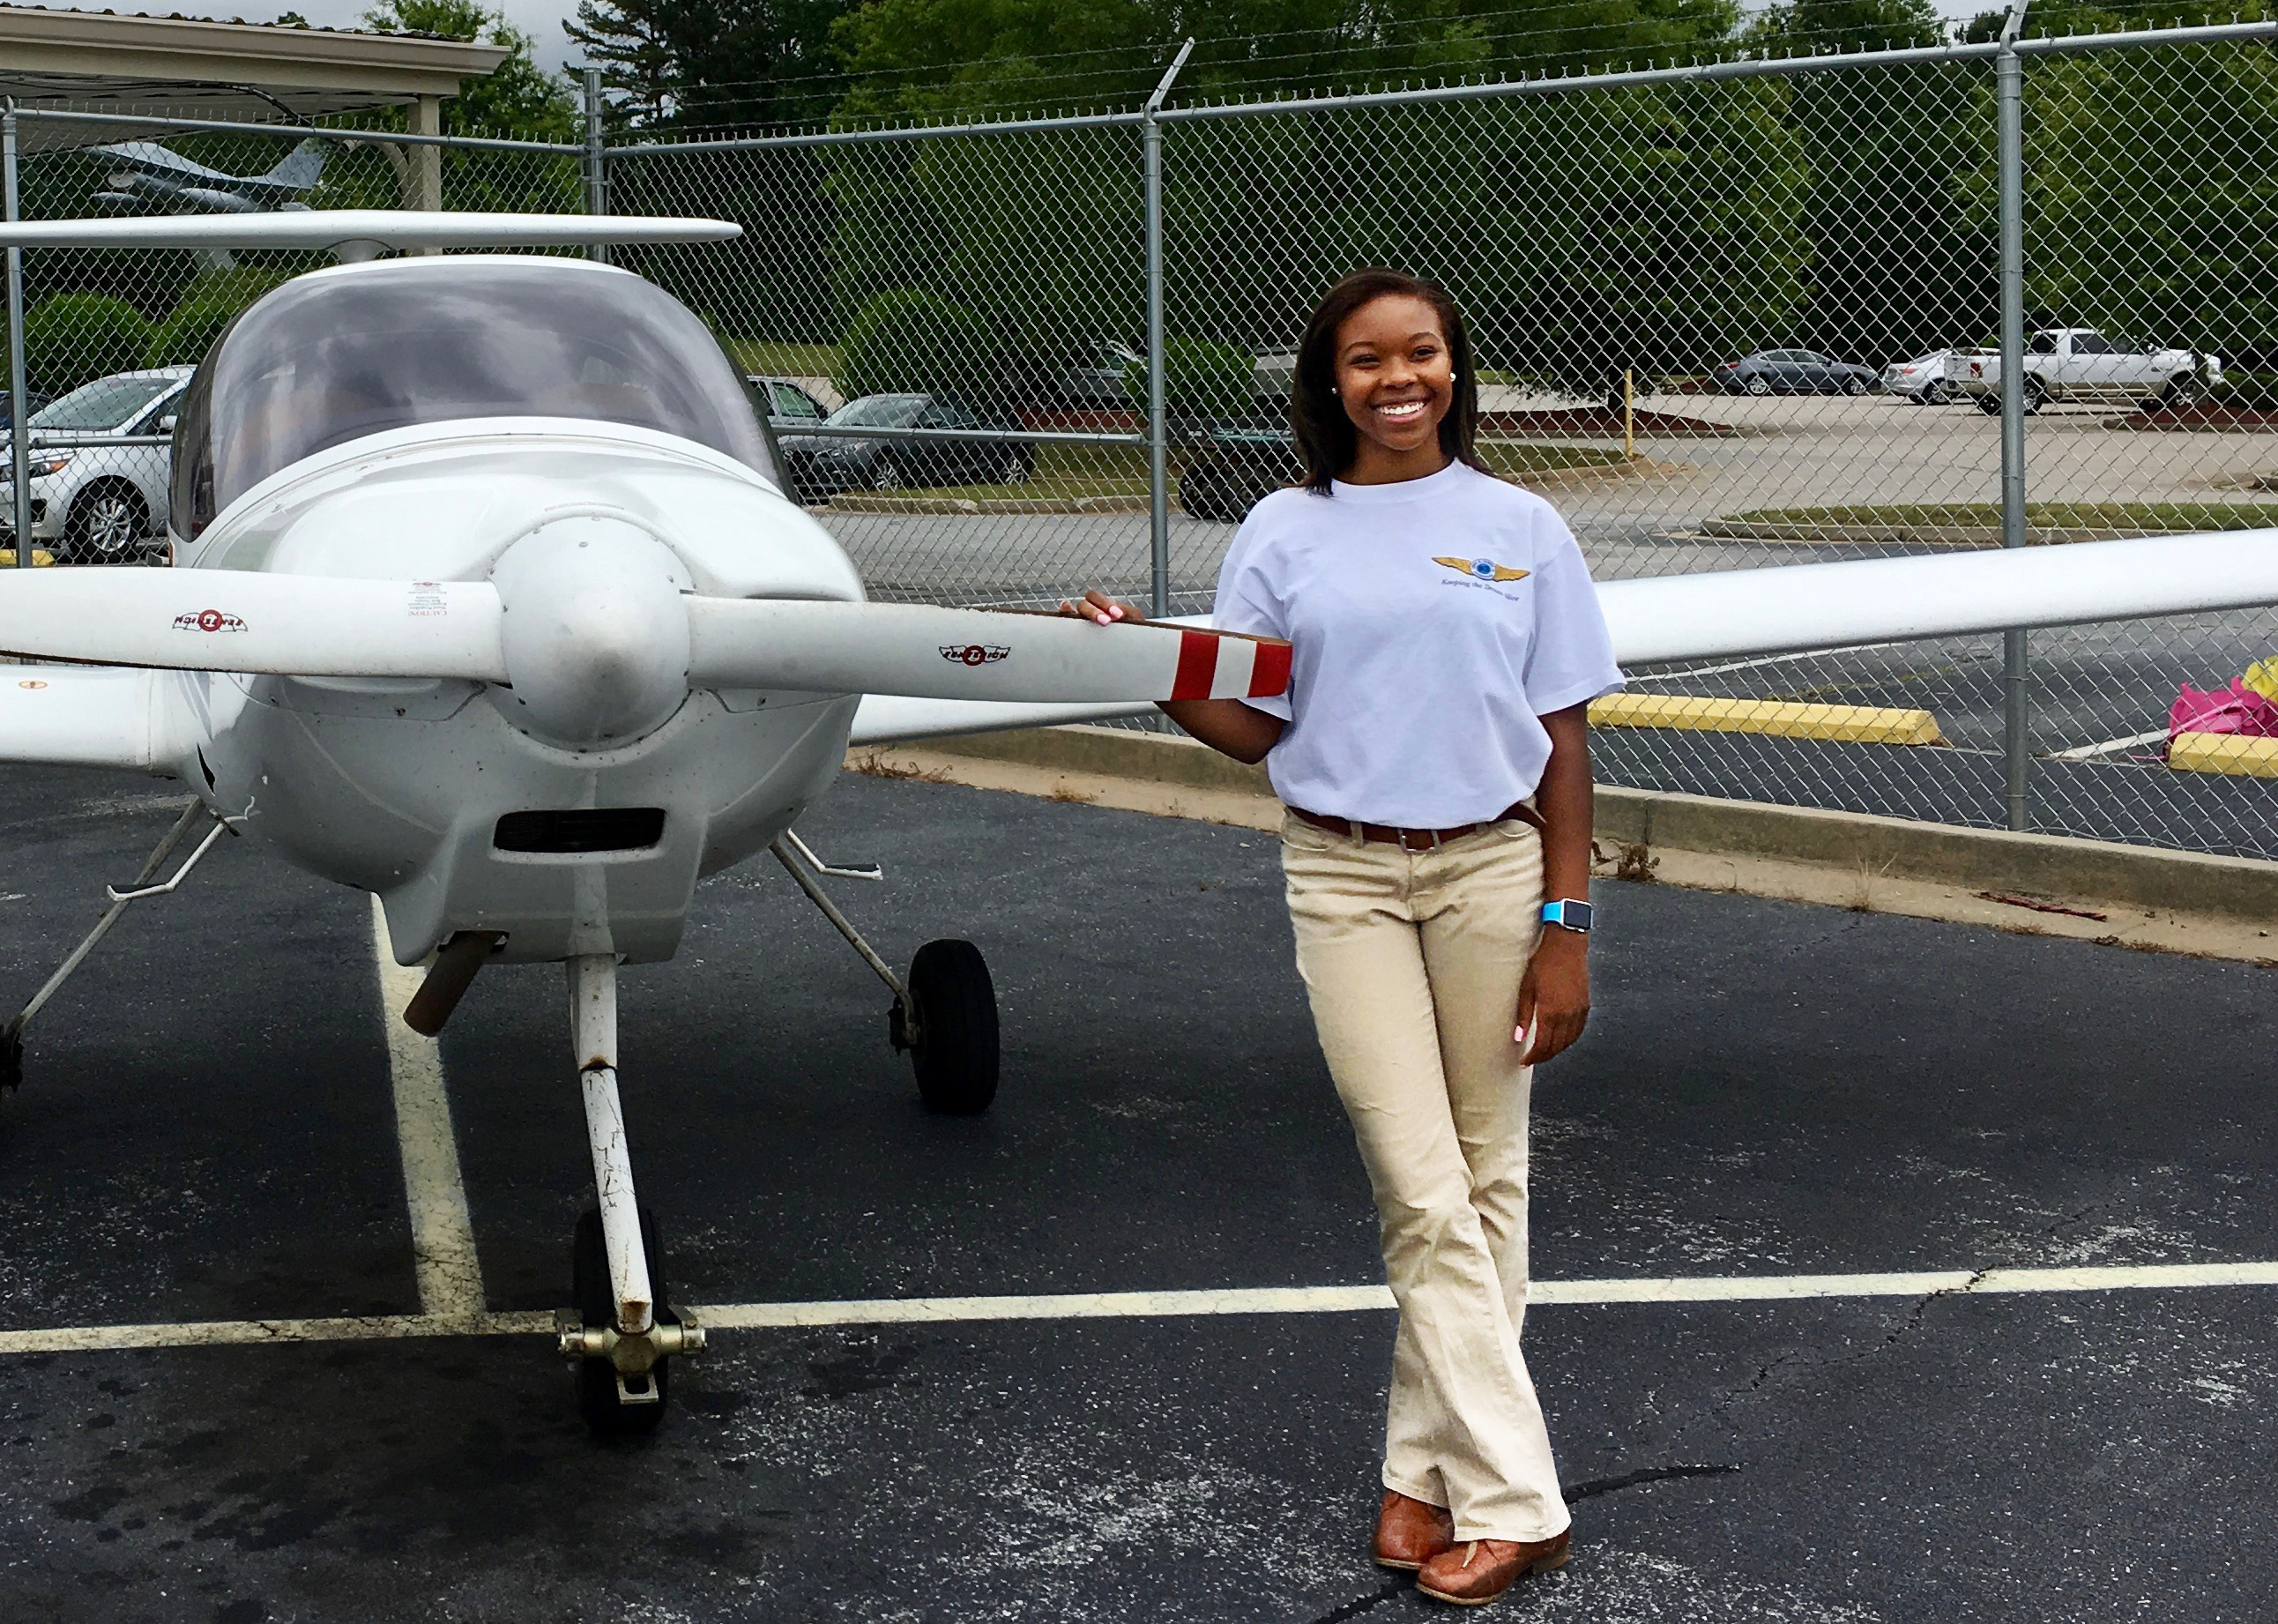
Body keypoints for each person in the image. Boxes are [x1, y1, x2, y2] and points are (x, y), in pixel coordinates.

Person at [1061, 268, 1623, 1607]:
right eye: (1367, 361)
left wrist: (1569, 923)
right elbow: (1255, 722)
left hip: (1492, 872)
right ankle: (1522, 1501)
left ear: (1454, 364)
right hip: (1346, 876)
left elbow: (1563, 740)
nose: (1399, 379)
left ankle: (1424, 1479)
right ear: (1330, 383)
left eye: (1422, 352)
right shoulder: (1283, 528)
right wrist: (1154, 663)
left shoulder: (1522, 525)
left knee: (1488, 1189)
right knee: (1421, 1188)